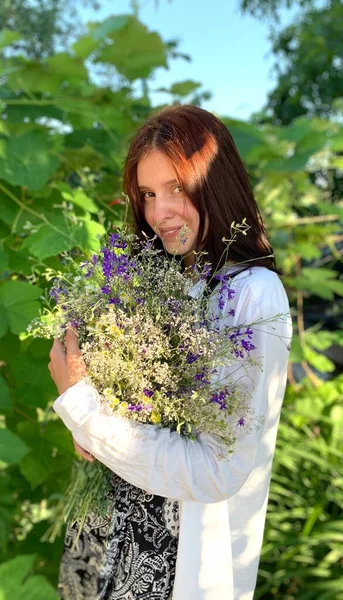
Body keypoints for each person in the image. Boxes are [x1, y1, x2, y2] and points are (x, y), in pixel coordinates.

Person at [48, 105, 293, 600]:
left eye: (177, 188)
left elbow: (215, 471)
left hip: (168, 565)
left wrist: (82, 407)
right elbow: (124, 420)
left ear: (215, 183)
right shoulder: (157, 279)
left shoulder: (252, 295)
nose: (159, 213)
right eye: (147, 194)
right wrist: (94, 423)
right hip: (102, 541)